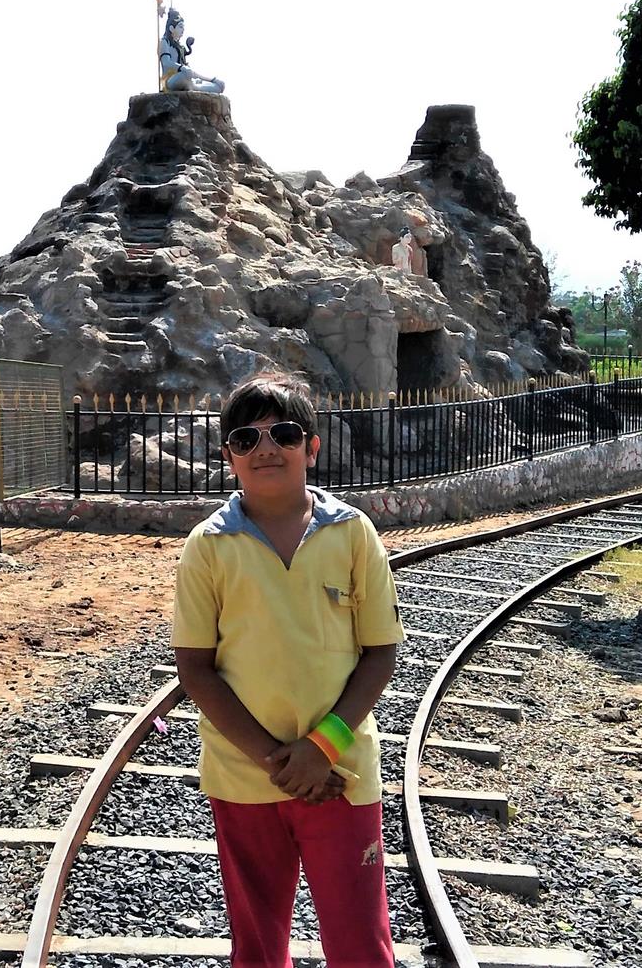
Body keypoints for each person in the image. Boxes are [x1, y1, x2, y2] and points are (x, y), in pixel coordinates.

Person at [172, 372, 403, 968]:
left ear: (313, 447)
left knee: (360, 943)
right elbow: (196, 670)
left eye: (285, 433)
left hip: (340, 776)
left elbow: (380, 654)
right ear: (228, 456)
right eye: (246, 438)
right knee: (256, 944)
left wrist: (321, 749)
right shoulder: (207, 547)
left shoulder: (353, 534)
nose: (266, 448)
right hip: (243, 776)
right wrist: (279, 761)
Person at [159, 7, 225, 93]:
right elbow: (166, 62)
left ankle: (195, 88)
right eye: (180, 27)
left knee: (220, 85)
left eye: (183, 27)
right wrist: (181, 67)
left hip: (187, 78)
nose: (183, 30)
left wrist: (212, 80)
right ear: (171, 28)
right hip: (170, 81)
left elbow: (191, 72)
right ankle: (193, 87)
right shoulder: (164, 42)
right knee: (185, 75)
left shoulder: (180, 47)